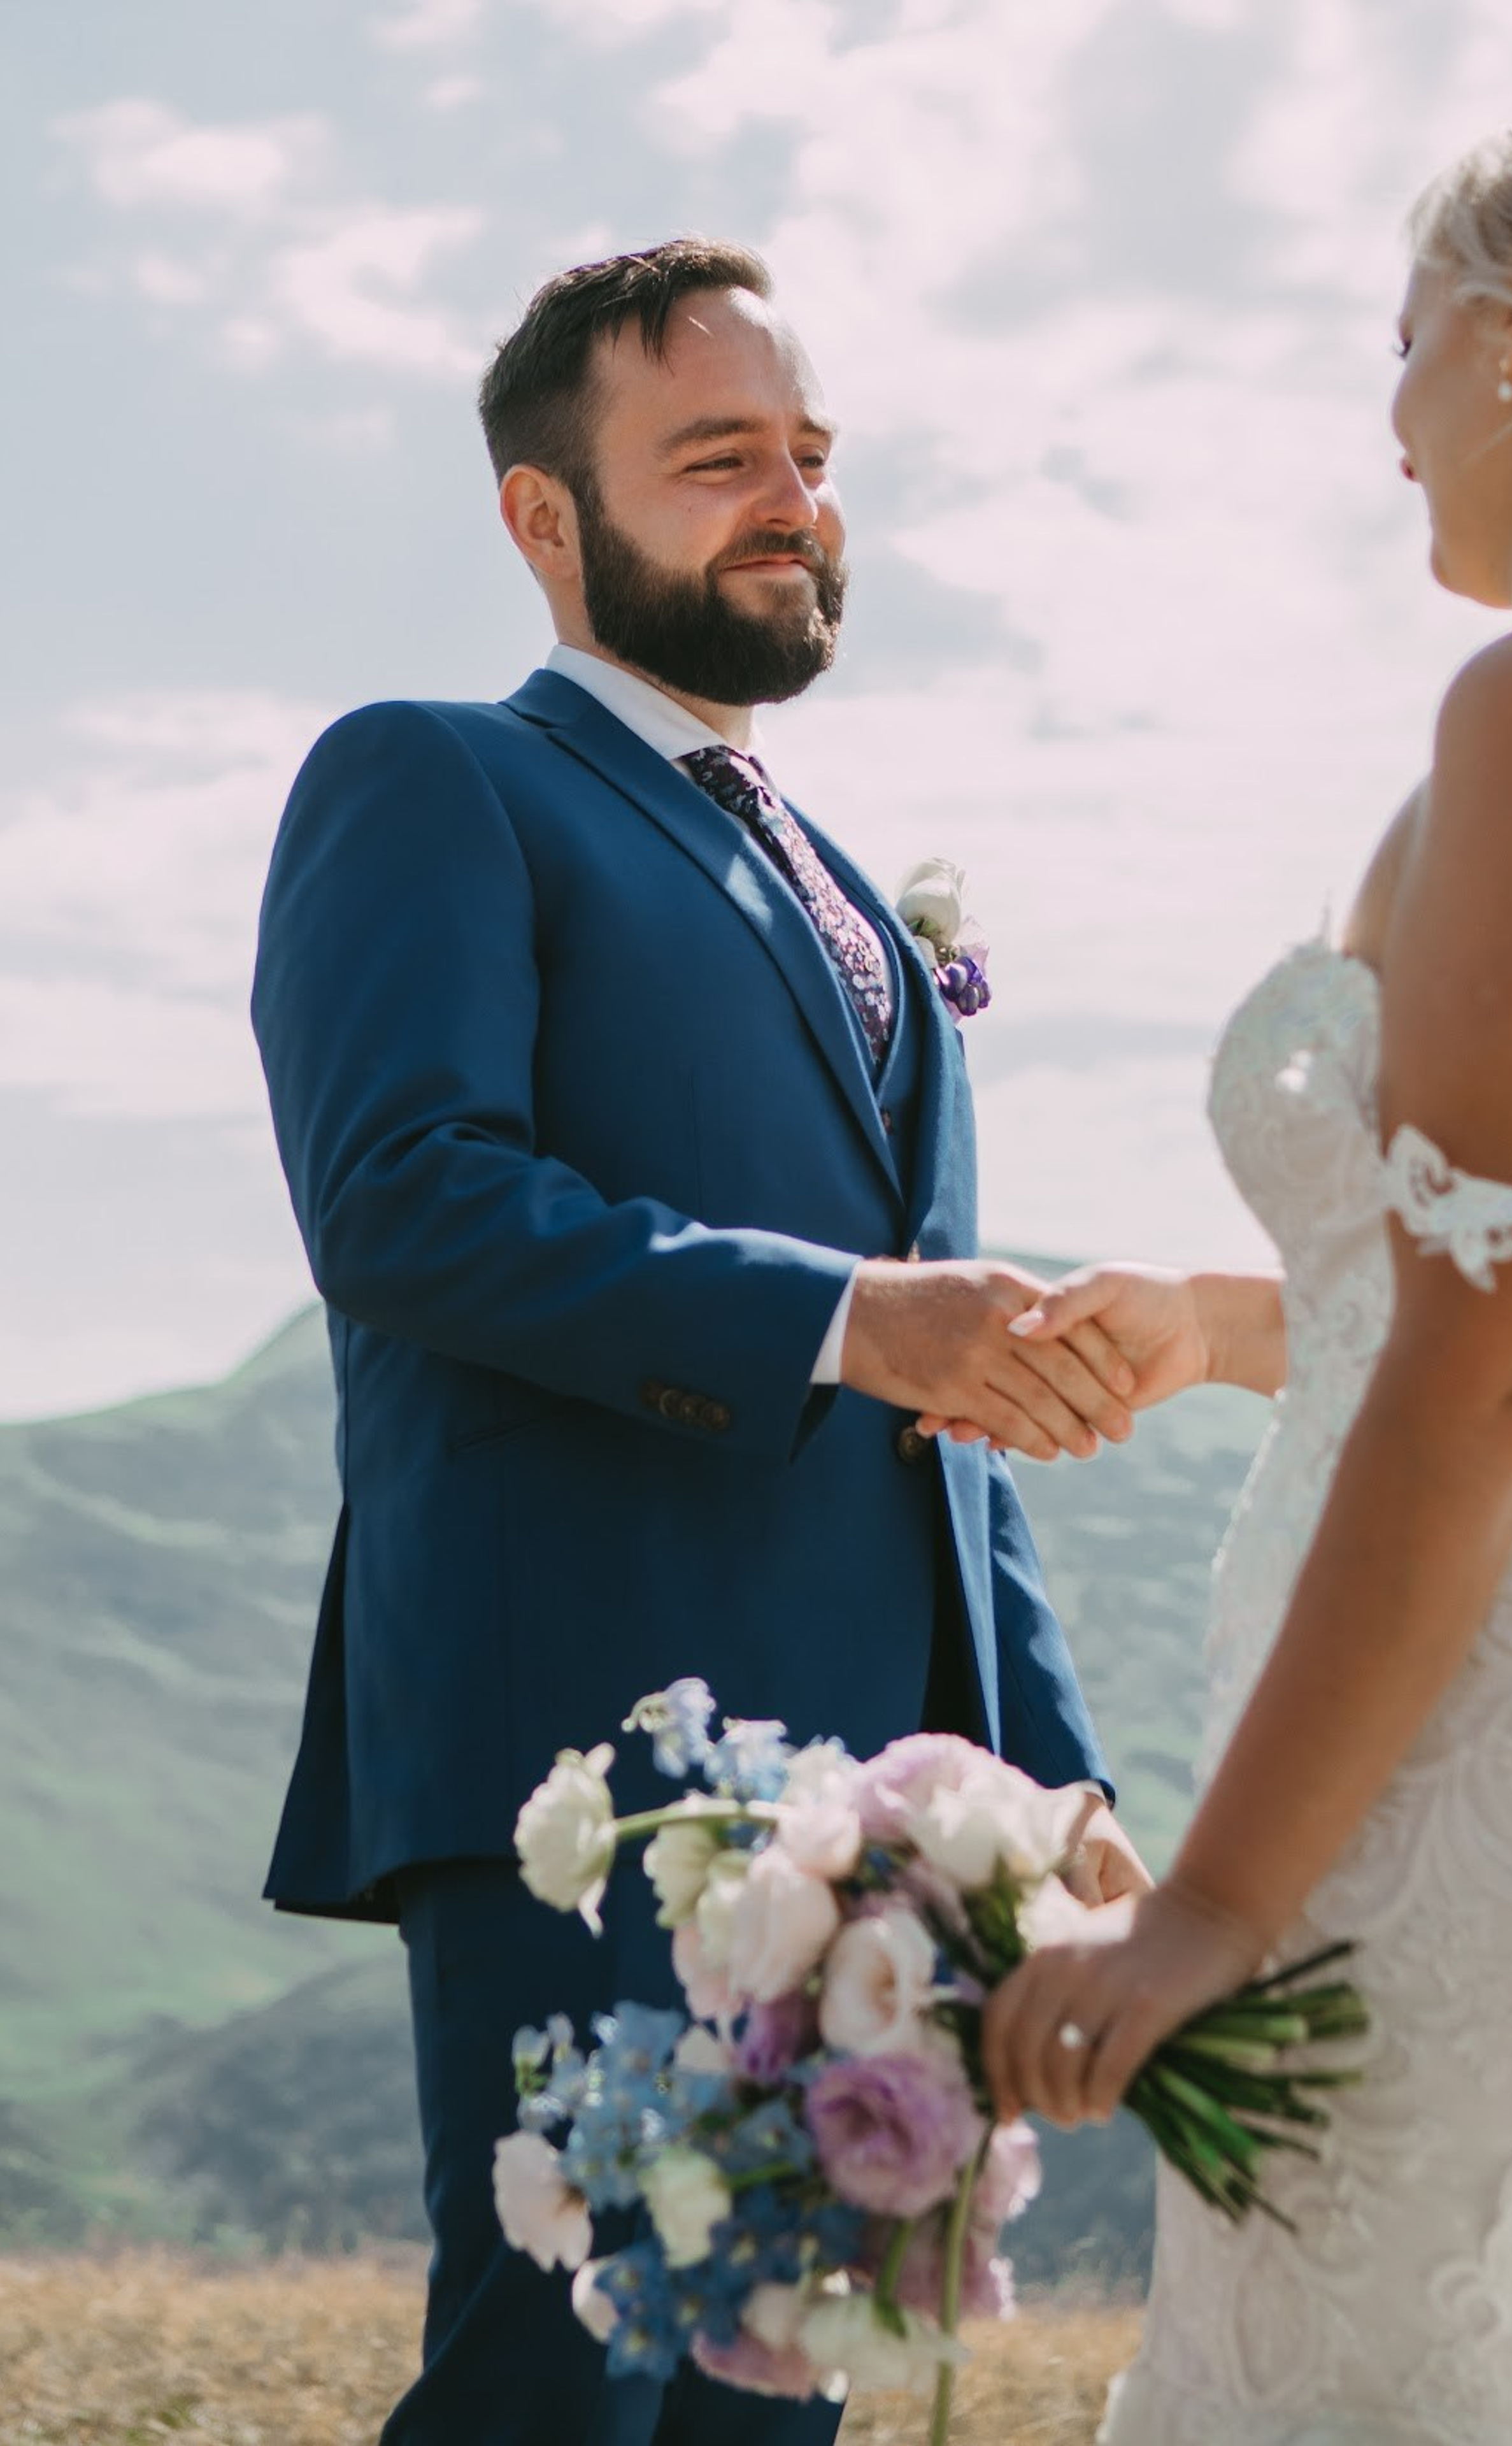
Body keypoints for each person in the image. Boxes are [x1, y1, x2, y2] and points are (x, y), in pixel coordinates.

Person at [251, 238, 1145, 2446]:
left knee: (771, 2402)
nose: (792, 503)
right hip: (593, 1765)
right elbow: (407, 1200)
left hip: (877, 1827)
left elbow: (945, 1402)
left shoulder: (853, 891)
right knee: (552, 2394)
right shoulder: (433, 783)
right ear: (543, 519)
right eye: (720, 456)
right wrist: (844, 1315)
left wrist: (1049, 1770)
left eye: (814, 458)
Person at [977, 65, 1512, 2444]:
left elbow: (1508, 1373)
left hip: (1432, 1784)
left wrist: (1221, 1905)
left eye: (1408, 335)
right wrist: (1231, 1326)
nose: (1391, 408)